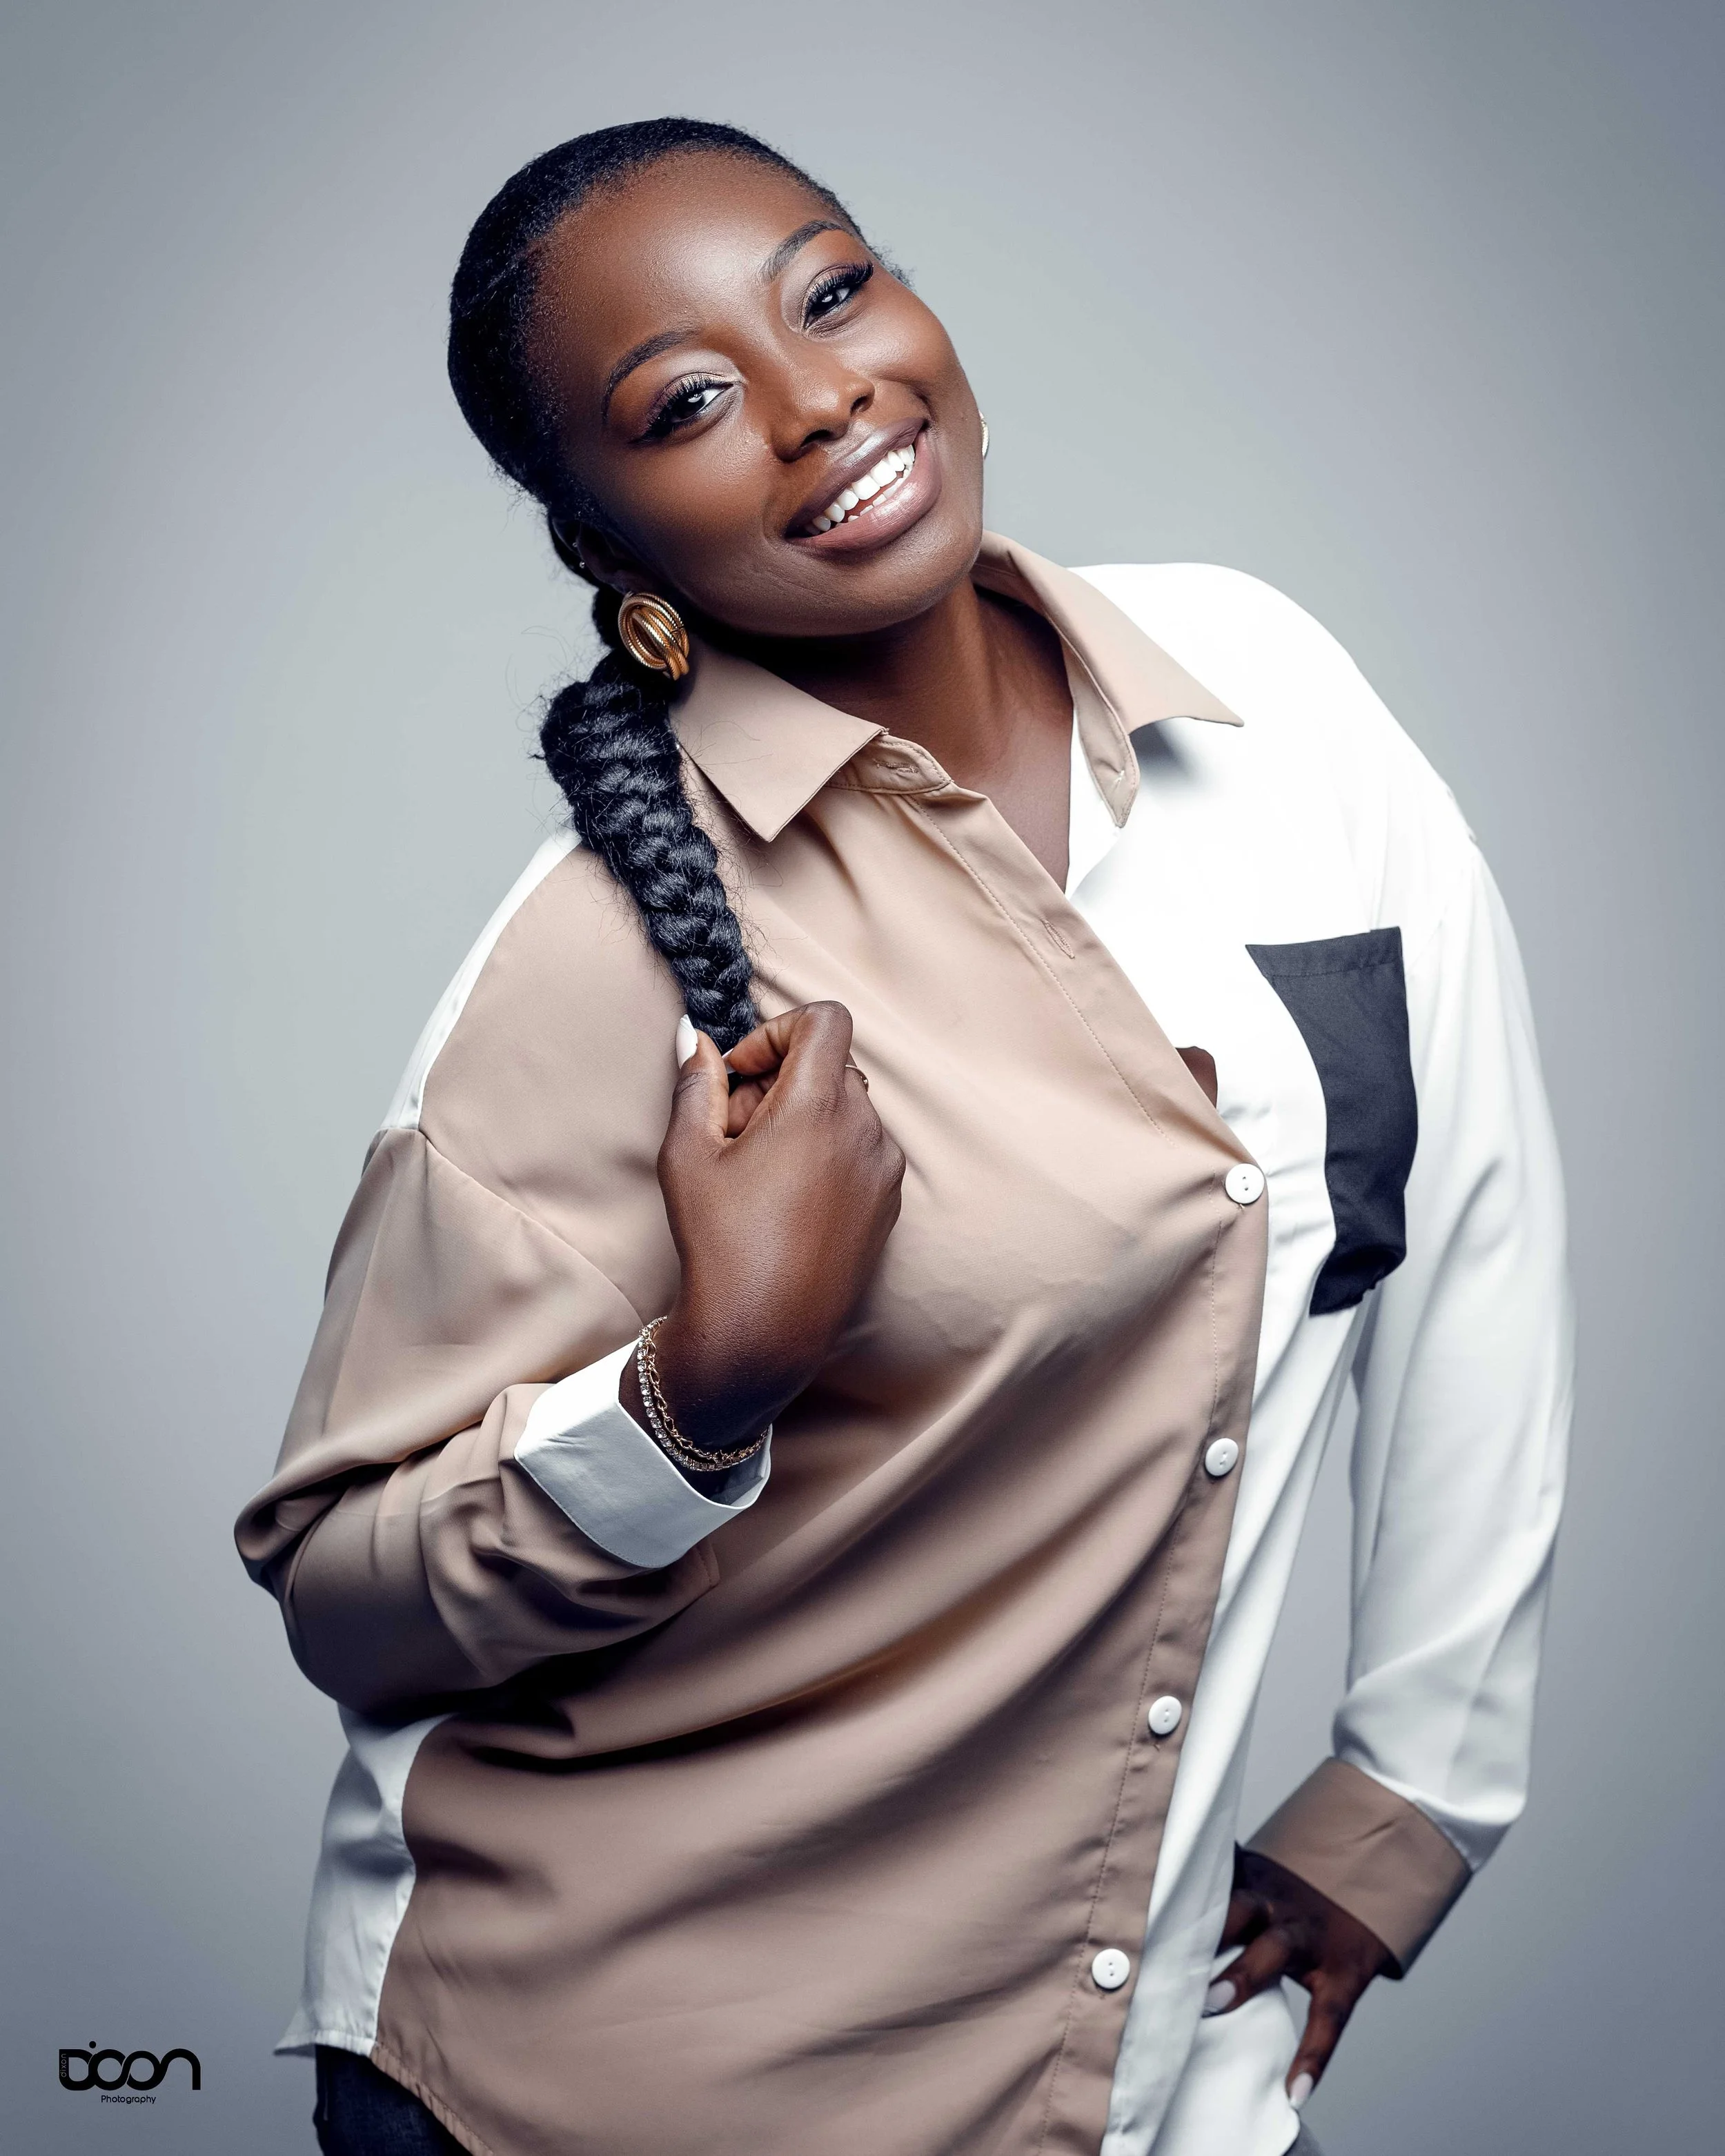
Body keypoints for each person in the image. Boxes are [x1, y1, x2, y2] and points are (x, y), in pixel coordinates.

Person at [235, 118, 1571, 2156]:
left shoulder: (1270, 699)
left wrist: (1414, 1794)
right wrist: (701, 1391)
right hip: (600, 2087)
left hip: (1109, 2067)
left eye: (833, 290)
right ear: (608, 550)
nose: (817, 400)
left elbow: (1462, 1228)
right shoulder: (600, 965)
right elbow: (345, 1583)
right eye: (683, 405)